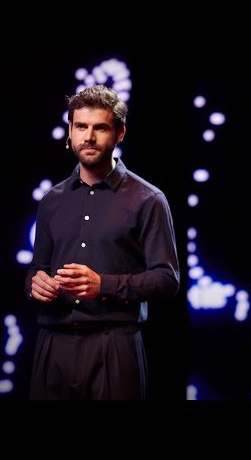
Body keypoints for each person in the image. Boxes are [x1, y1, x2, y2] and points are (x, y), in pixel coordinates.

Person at [25, 85, 179, 400]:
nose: (89, 137)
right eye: (81, 126)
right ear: (70, 131)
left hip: (114, 345)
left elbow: (167, 279)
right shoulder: (52, 200)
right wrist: (34, 283)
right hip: (53, 344)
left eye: (100, 128)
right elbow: (36, 269)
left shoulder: (148, 199)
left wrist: (103, 285)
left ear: (119, 133)